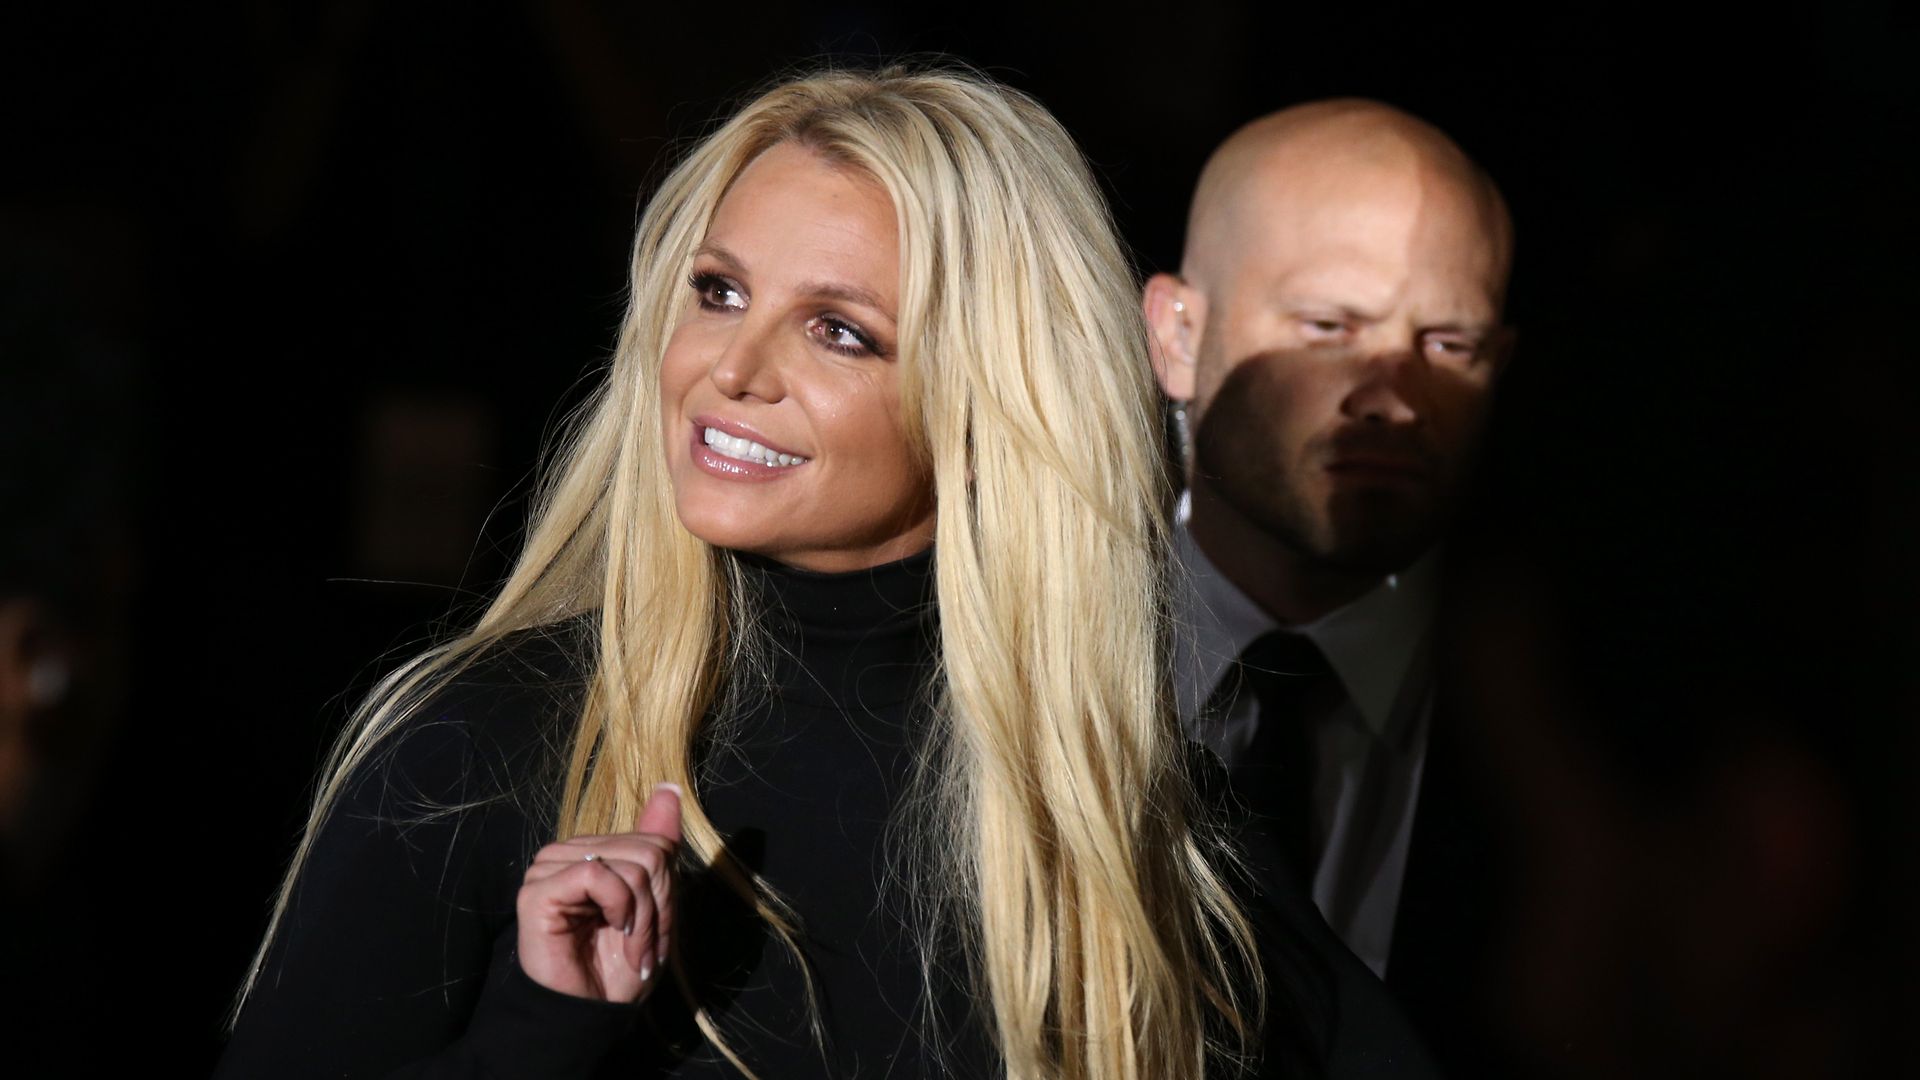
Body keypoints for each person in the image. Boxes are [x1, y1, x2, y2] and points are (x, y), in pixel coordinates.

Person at [217, 67, 1307, 1080]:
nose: (729, 368)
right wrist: (534, 1037)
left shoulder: (1118, 808)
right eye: (720, 292)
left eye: (837, 330)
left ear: (991, 397)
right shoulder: (477, 746)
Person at [1141, 99, 1514, 1068]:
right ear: (1177, 336)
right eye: (1327, 325)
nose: (1389, 395)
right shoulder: (988, 647)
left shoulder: (1570, 719)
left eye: (1448, 346)